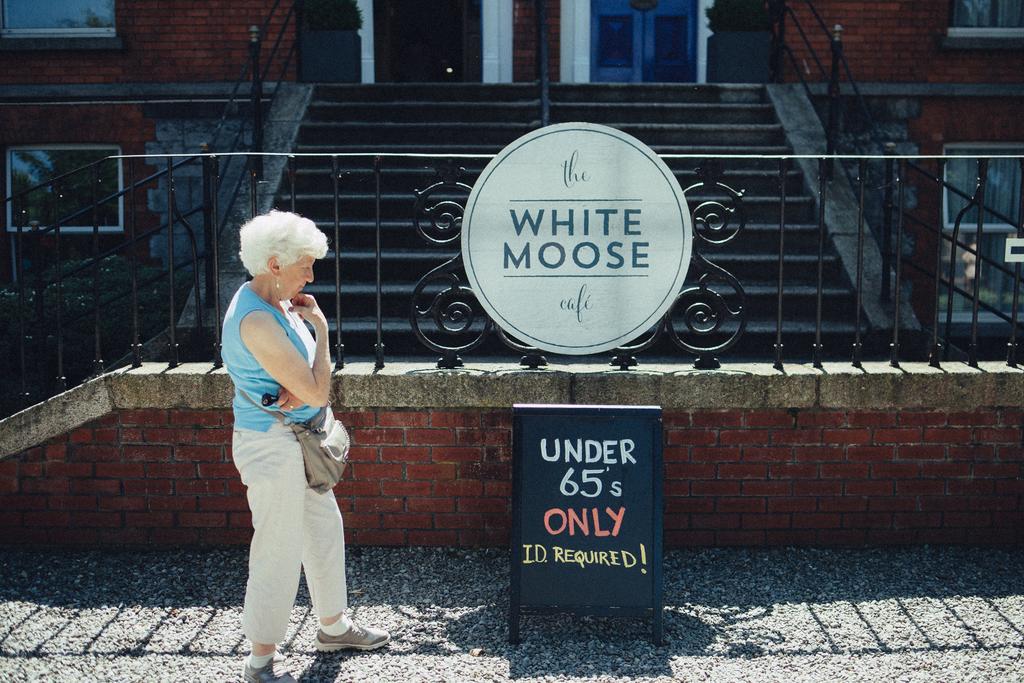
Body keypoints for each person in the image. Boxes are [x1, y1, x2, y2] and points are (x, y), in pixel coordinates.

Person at [222, 210, 390, 683]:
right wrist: (322, 333)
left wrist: (307, 374)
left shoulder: (275, 302)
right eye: (305, 264)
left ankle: (333, 627)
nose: (311, 275)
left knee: (323, 529)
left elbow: (305, 387)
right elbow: (316, 390)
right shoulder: (257, 318)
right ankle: (260, 660)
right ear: (274, 263)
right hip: (271, 444)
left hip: (297, 437)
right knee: (277, 545)